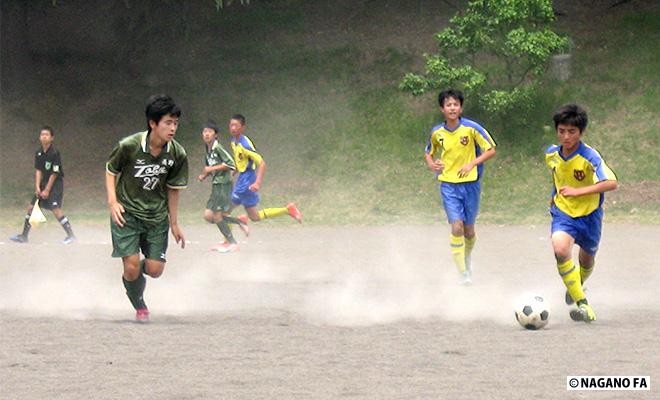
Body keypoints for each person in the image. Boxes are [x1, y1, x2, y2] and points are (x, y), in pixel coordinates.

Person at [105, 94, 188, 322]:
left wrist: (174, 222)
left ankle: (131, 271)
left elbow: (173, 188)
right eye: (168, 123)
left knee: (155, 270)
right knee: (131, 269)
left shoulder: (177, 154)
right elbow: (111, 170)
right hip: (127, 214)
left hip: (156, 217)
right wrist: (113, 202)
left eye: (176, 124)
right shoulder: (129, 146)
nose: (173, 128)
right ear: (153, 123)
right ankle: (140, 305)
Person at [545, 104, 618, 323]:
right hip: (563, 214)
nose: (566, 136)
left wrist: (579, 191)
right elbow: (558, 177)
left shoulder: (589, 156)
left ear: (581, 132)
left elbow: (612, 182)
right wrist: (555, 196)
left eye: (571, 131)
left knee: (586, 261)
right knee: (560, 248)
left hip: (590, 216)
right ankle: (583, 304)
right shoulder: (551, 154)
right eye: (561, 131)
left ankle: (575, 284)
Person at [424, 89, 496, 284]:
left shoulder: (472, 128)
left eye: (456, 104)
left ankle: (466, 257)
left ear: (461, 107)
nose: (452, 108)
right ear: (442, 108)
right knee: (456, 226)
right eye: (448, 105)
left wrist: (472, 163)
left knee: (469, 230)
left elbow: (491, 150)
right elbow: (429, 152)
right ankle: (463, 273)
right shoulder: (437, 133)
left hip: (471, 184)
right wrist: (432, 164)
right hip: (449, 184)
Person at [228, 114, 302, 225]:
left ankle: (228, 240)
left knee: (224, 210)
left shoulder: (245, 145)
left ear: (243, 127)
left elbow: (262, 163)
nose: (233, 128)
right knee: (254, 216)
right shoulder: (234, 141)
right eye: (231, 125)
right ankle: (288, 210)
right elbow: (242, 159)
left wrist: (257, 182)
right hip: (242, 178)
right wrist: (237, 168)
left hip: (247, 180)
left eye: (236, 126)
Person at [10, 126, 76, 244]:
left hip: (55, 184)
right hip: (43, 183)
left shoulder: (55, 153)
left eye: (46, 135)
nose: (44, 137)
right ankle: (24, 236)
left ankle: (71, 236)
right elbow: (38, 170)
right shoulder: (39, 152)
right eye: (42, 135)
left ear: (52, 138)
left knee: (55, 209)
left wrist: (47, 189)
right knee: (31, 207)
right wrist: (37, 187)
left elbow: (55, 173)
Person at [198, 120, 249, 253]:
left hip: (223, 185)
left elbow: (231, 164)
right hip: (216, 186)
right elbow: (210, 168)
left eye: (209, 132)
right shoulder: (208, 150)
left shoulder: (218, 148)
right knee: (208, 216)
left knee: (217, 216)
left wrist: (210, 169)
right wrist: (204, 175)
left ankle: (232, 243)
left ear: (215, 135)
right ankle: (240, 221)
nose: (206, 134)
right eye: (204, 132)